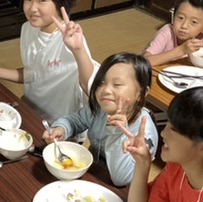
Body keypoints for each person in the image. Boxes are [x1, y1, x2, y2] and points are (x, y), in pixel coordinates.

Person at [0, 0, 98, 126]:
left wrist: (78, 50)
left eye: (42, 0)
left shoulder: (72, 40)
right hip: (31, 112)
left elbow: (92, 88)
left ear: (62, 3)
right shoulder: (28, 28)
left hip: (62, 126)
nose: (32, 8)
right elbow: (35, 74)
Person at [42, 52, 158, 187]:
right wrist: (62, 128)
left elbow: (121, 178)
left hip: (121, 190)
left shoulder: (144, 132)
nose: (106, 90)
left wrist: (117, 132)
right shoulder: (100, 109)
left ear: (141, 93)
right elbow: (75, 121)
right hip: (93, 173)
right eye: (101, 83)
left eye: (117, 84)